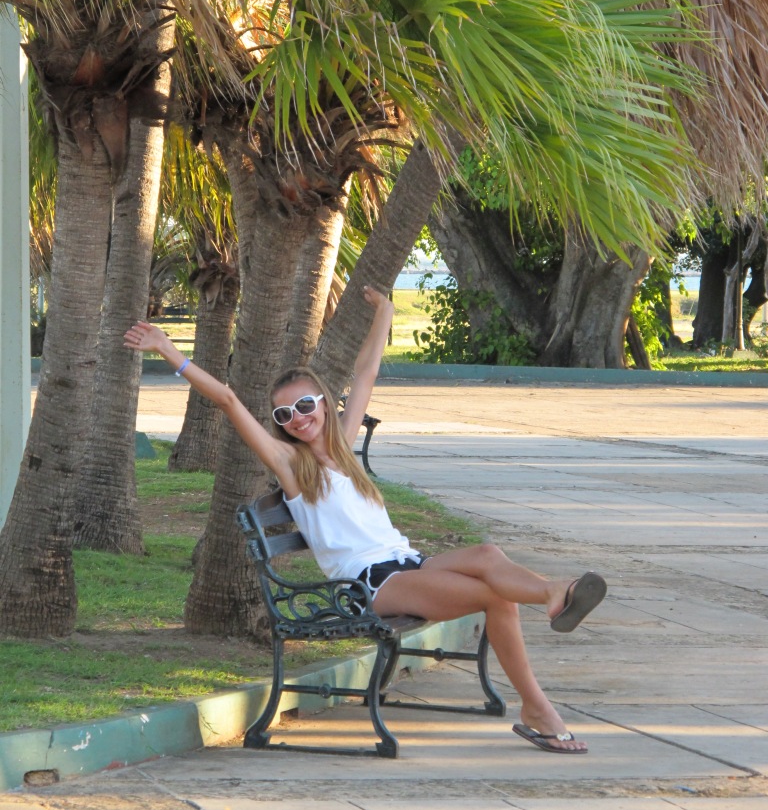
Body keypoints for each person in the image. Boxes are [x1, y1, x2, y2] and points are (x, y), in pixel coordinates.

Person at [124, 284, 607, 755]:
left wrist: (385, 312)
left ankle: (551, 594)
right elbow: (229, 401)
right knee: (494, 596)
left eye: (305, 405)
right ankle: (538, 701)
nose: (298, 418)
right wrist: (169, 351)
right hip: (370, 583)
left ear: (322, 403)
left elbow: (367, 371)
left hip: (408, 563)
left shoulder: (342, 448)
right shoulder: (291, 465)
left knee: (487, 554)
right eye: (285, 414)